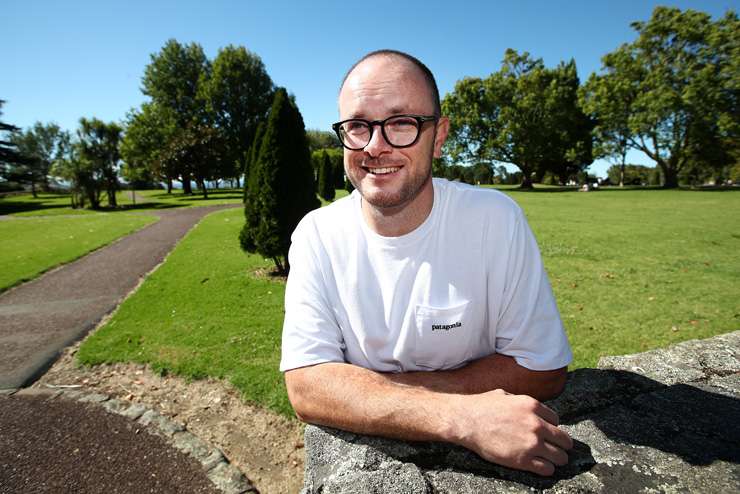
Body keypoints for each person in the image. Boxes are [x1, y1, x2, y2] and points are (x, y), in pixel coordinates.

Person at [280, 49, 574, 476]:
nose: (375, 147)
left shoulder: (494, 219)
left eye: (402, 123)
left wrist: (364, 391)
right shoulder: (317, 235)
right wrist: (460, 416)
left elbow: (544, 370)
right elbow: (307, 387)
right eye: (358, 126)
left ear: (438, 136)